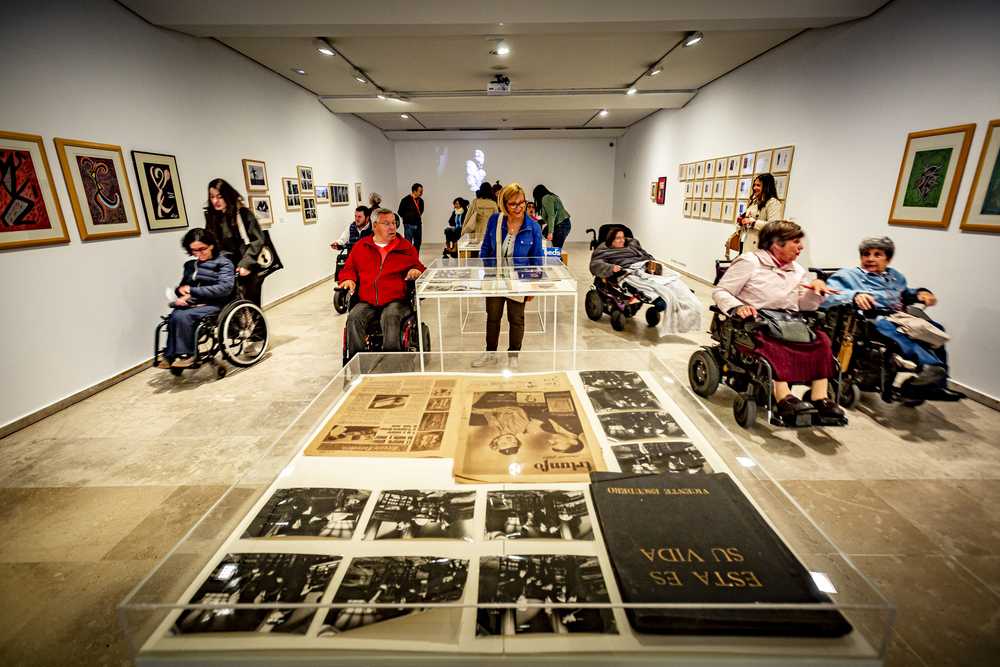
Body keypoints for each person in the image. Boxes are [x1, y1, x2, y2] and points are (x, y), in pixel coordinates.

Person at [712, 220, 845, 420]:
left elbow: (804, 305)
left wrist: (817, 290)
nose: (801, 247)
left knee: (822, 340)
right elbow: (721, 291)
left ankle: (820, 397)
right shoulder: (750, 262)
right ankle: (784, 397)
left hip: (788, 323)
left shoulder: (797, 270)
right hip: (753, 325)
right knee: (774, 343)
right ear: (777, 244)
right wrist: (738, 307)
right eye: (796, 242)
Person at [822, 236, 949, 386]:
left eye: (877, 255)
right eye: (866, 254)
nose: (870, 259)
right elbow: (826, 296)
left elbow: (905, 293)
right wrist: (854, 295)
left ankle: (936, 386)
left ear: (888, 260)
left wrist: (921, 293)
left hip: (897, 316)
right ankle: (930, 365)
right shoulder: (847, 275)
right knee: (890, 327)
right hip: (866, 320)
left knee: (936, 330)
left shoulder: (896, 277)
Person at [474, 183, 545, 370]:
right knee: (493, 317)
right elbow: (486, 248)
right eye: (513, 204)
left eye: (522, 202)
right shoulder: (495, 220)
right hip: (495, 278)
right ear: (504, 204)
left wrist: (533, 285)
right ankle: (490, 353)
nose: (519, 207)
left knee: (516, 318)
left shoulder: (533, 227)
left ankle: (513, 355)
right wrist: (488, 273)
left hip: (519, 281)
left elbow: (537, 259)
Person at [338, 208, 426, 359]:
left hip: (396, 300)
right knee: (353, 317)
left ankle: (393, 366)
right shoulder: (361, 246)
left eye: (394, 223)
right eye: (387, 223)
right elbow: (349, 268)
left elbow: (419, 266)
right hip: (367, 300)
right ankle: (358, 367)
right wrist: (348, 278)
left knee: (390, 317)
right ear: (375, 225)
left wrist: (416, 270)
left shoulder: (405, 247)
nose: (392, 227)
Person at [589, 226, 701, 335]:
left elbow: (646, 255)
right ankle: (658, 298)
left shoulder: (632, 246)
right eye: (618, 238)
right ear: (610, 240)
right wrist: (611, 268)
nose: (622, 240)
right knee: (641, 282)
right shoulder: (604, 250)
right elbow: (595, 264)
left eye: (623, 237)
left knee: (664, 276)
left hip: (642, 267)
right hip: (626, 270)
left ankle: (678, 291)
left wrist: (650, 262)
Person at [158, 228, 235, 369]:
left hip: (217, 303)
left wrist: (192, 291)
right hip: (195, 303)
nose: (198, 254)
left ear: (211, 245)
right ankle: (171, 355)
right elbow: (184, 286)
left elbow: (225, 288)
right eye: (194, 250)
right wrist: (181, 295)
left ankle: (189, 355)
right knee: (175, 315)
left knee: (183, 316)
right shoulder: (190, 265)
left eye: (202, 249)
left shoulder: (223, 263)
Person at [204, 178, 265, 306]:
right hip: (224, 269)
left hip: (245, 268)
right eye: (212, 197)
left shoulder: (242, 213)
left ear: (227, 195)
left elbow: (257, 240)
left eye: (219, 196)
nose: (215, 201)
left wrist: (246, 264)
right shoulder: (211, 217)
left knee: (250, 307)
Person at [734, 173, 781, 254]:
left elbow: (773, 226)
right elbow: (751, 218)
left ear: (767, 186)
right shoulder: (755, 200)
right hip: (746, 240)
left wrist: (752, 222)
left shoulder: (773, 202)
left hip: (759, 245)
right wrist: (742, 221)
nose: (754, 188)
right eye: (754, 185)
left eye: (758, 185)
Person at [398, 183, 424, 251]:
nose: (422, 193)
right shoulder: (405, 200)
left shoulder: (420, 201)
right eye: (420, 192)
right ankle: (409, 260)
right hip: (408, 225)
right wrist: (407, 218)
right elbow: (400, 211)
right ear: (414, 191)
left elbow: (421, 211)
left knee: (417, 243)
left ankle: (416, 259)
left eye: (422, 191)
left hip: (418, 224)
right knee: (408, 243)